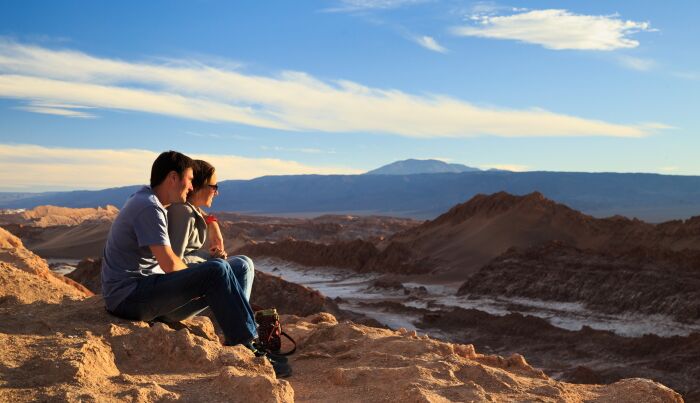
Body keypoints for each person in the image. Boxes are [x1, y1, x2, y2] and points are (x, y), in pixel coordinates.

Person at [101, 150, 290, 377]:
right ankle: (247, 345)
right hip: (129, 298)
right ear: (173, 178)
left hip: (144, 292)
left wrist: (212, 224)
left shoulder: (148, 201)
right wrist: (207, 273)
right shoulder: (148, 207)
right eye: (190, 180)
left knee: (236, 265)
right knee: (217, 269)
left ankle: (241, 334)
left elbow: (177, 249)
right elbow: (171, 264)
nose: (191, 187)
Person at [167, 159, 255, 301]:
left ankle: (241, 318)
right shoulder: (183, 213)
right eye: (214, 187)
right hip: (174, 298)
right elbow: (173, 263)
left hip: (183, 286)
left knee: (245, 261)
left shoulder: (189, 210)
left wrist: (211, 221)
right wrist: (210, 263)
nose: (216, 193)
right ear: (198, 186)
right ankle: (241, 321)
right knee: (242, 265)